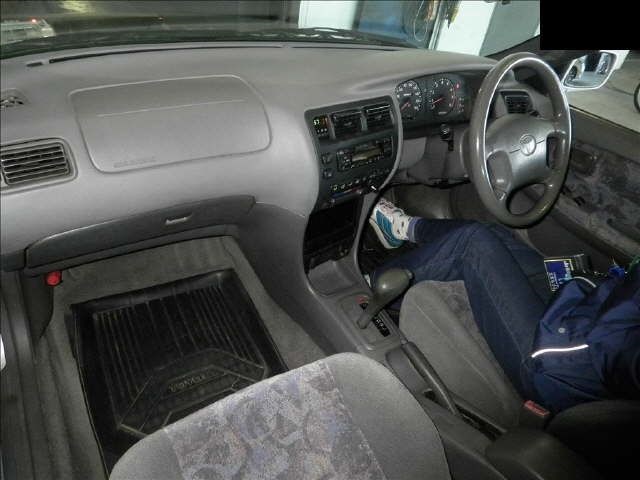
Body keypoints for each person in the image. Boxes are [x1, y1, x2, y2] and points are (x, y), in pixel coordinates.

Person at [369, 198, 640, 413]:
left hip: (558, 365)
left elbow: (611, 344)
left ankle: (371, 289)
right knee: (494, 234)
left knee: (472, 244)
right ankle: (401, 228)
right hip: (580, 312)